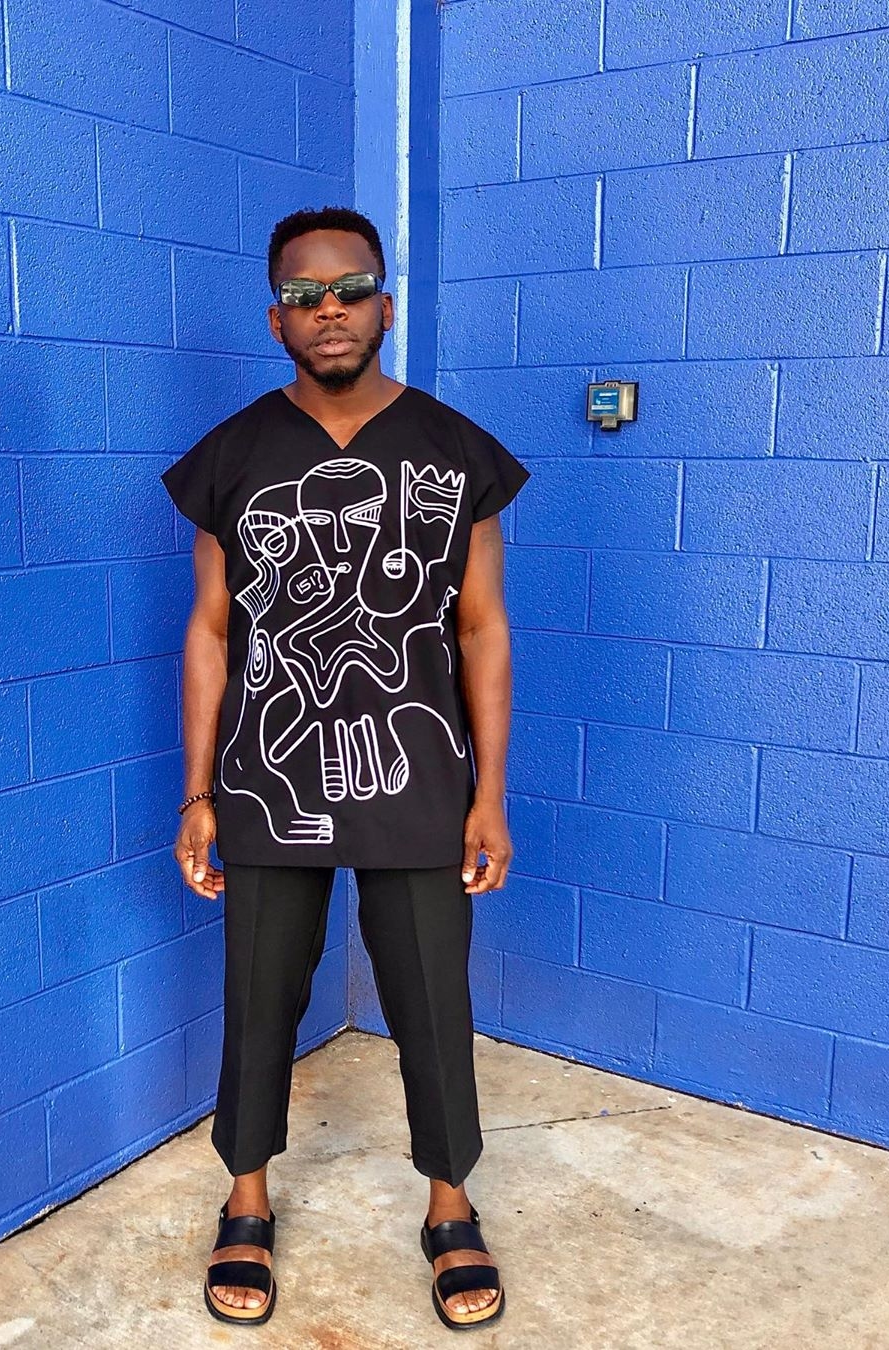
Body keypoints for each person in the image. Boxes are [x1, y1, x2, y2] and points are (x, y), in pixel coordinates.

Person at [160, 206, 530, 1331]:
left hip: (418, 780)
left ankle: (450, 1205)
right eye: (304, 294)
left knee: (431, 996)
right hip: (268, 783)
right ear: (275, 318)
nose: (330, 310)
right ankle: (247, 1198)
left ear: (386, 305)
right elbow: (211, 630)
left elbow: (482, 628)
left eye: (351, 288)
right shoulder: (232, 456)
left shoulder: (454, 451)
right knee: (259, 993)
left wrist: (491, 795)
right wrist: (198, 791)